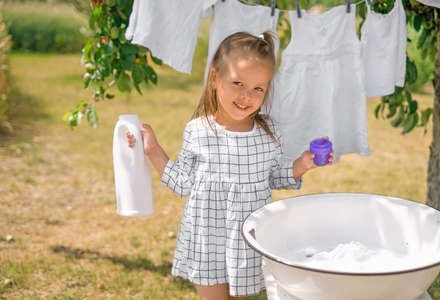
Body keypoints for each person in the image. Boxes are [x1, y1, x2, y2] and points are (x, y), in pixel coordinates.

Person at [126, 31, 333, 300]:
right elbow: (183, 184)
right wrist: (153, 149)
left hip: (245, 241)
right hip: (207, 240)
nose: (247, 96)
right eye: (238, 83)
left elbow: (271, 178)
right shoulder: (198, 131)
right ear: (215, 78)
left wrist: (302, 164)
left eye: (258, 88)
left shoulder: (268, 132)